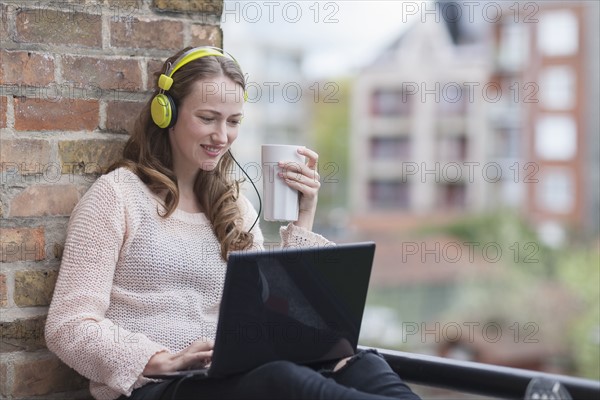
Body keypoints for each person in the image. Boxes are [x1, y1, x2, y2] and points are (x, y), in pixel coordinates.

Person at [45, 46, 421, 400]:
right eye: (207, 118)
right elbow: (68, 325)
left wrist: (303, 216)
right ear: (166, 113)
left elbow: (283, 314)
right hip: (156, 387)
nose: (221, 136)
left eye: (234, 121)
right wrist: (158, 359)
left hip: (229, 377)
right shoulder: (117, 196)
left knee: (366, 364)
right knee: (284, 381)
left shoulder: (234, 206)